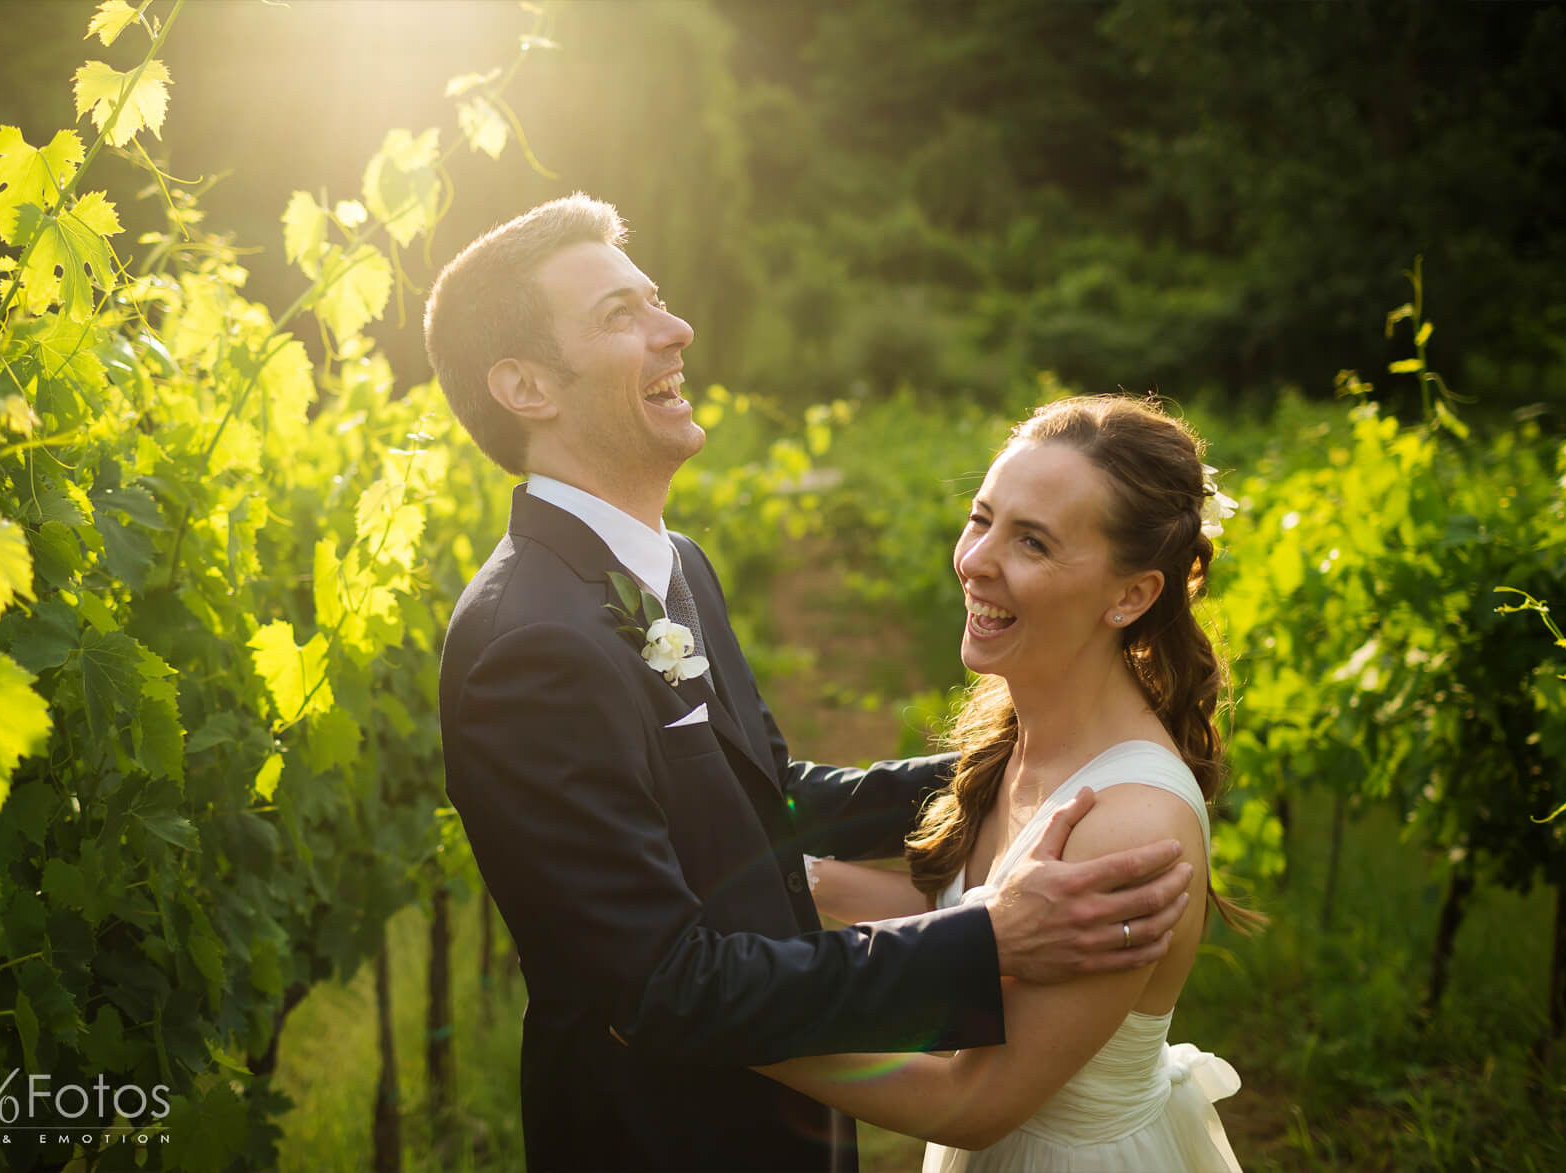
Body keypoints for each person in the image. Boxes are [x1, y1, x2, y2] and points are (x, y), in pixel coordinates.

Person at [424, 194, 1194, 1172]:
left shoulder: (671, 567)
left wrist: (1021, 759)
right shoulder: (527, 642)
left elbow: (766, 793)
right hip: (668, 1142)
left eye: (655, 301)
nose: (677, 330)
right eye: (622, 316)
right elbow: (663, 988)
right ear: (526, 385)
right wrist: (981, 940)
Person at [756, 395, 1254, 1171]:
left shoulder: (1130, 826)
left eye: (1032, 542)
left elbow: (974, 1101)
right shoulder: (1022, 731)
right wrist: (800, 877)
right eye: (981, 518)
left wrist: (719, 1020)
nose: (976, 560)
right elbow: (979, 915)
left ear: (1132, 595)